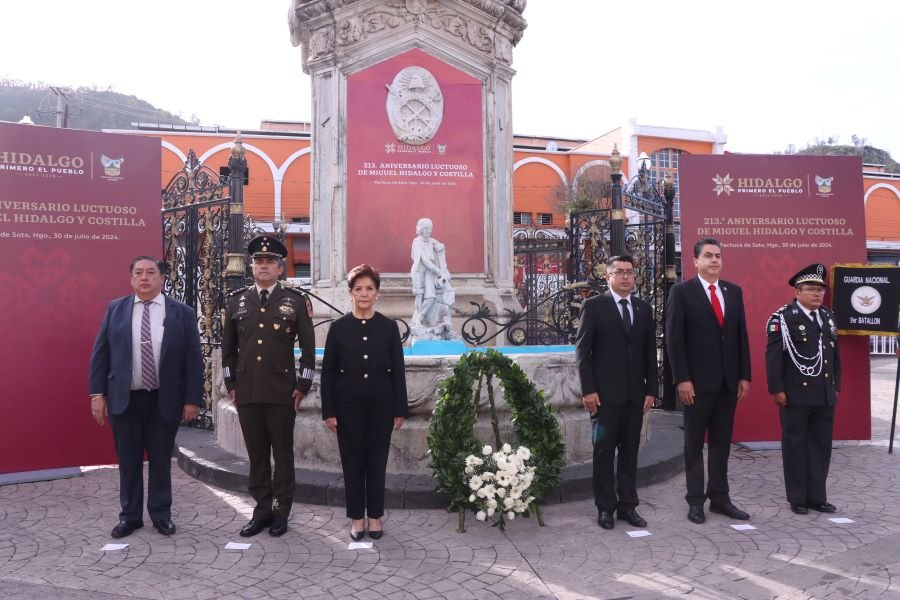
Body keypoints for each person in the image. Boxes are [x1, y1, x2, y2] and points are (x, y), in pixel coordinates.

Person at [89, 256, 203, 538]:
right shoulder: (116, 309)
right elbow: (101, 354)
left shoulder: (182, 313)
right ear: (131, 279)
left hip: (164, 399)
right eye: (138, 273)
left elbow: (193, 360)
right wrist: (97, 394)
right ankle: (130, 517)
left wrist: (192, 399)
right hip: (125, 399)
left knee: (161, 460)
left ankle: (161, 515)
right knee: (128, 462)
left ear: (161, 278)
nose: (144, 277)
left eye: (151, 272)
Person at [222, 235, 316, 537]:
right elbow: (228, 351)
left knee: (283, 455)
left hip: (281, 391)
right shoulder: (237, 301)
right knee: (257, 455)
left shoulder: (296, 301)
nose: (263, 266)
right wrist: (231, 384)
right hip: (247, 391)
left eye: (269, 262)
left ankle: (280, 511)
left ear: (279, 268)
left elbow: (309, 350)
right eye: (258, 261)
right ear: (252, 267)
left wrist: (302, 386)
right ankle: (261, 511)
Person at [666, 238, 751, 524]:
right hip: (696, 385)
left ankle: (720, 498)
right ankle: (695, 501)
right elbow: (674, 340)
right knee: (693, 445)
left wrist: (744, 375)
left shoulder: (733, 292)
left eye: (718, 256)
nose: (714, 260)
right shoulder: (681, 292)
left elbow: (740, 336)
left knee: (721, 444)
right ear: (695, 261)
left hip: (728, 384)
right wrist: (682, 379)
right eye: (708, 256)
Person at [321, 264, 408, 540]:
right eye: (358, 289)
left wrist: (400, 409)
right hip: (347, 407)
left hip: (381, 406)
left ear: (377, 293)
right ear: (350, 293)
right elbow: (328, 373)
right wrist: (329, 410)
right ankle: (357, 519)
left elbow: (398, 371)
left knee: (377, 462)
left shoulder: (389, 327)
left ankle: (375, 517)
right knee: (353, 463)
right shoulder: (338, 328)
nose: (364, 293)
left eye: (369, 288)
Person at [575, 255, 656, 530]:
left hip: (635, 397)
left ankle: (628, 506)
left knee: (630, 453)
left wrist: (651, 390)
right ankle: (605, 508)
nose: (625, 277)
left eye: (629, 272)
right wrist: (588, 390)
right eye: (619, 272)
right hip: (604, 398)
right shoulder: (594, 306)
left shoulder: (643, 309)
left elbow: (649, 352)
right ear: (607, 277)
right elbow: (583, 352)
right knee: (604, 453)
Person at [765, 264, 841, 515]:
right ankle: (797, 498)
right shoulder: (784, 318)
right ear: (797, 292)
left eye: (820, 289)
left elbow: (834, 355)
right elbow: (773, 357)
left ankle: (817, 497)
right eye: (811, 289)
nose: (818, 293)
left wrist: (836, 386)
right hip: (795, 394)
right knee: (795, 446)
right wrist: (776, 390)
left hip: (824, 394)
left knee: (821, 447)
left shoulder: (828, 317)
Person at [411, 217, 450, 328]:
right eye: (427, 229)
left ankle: (421, 317)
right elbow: (425, 260)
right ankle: (418, 319)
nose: (429, 231)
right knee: (419, 295)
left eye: (430, 229)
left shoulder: (431, 240)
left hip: (429, 272)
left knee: (431, 297)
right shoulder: (417, 242)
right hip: (419, 272)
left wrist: (440, 247)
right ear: (421, 229)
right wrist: (438, 271)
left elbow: (440, 245)